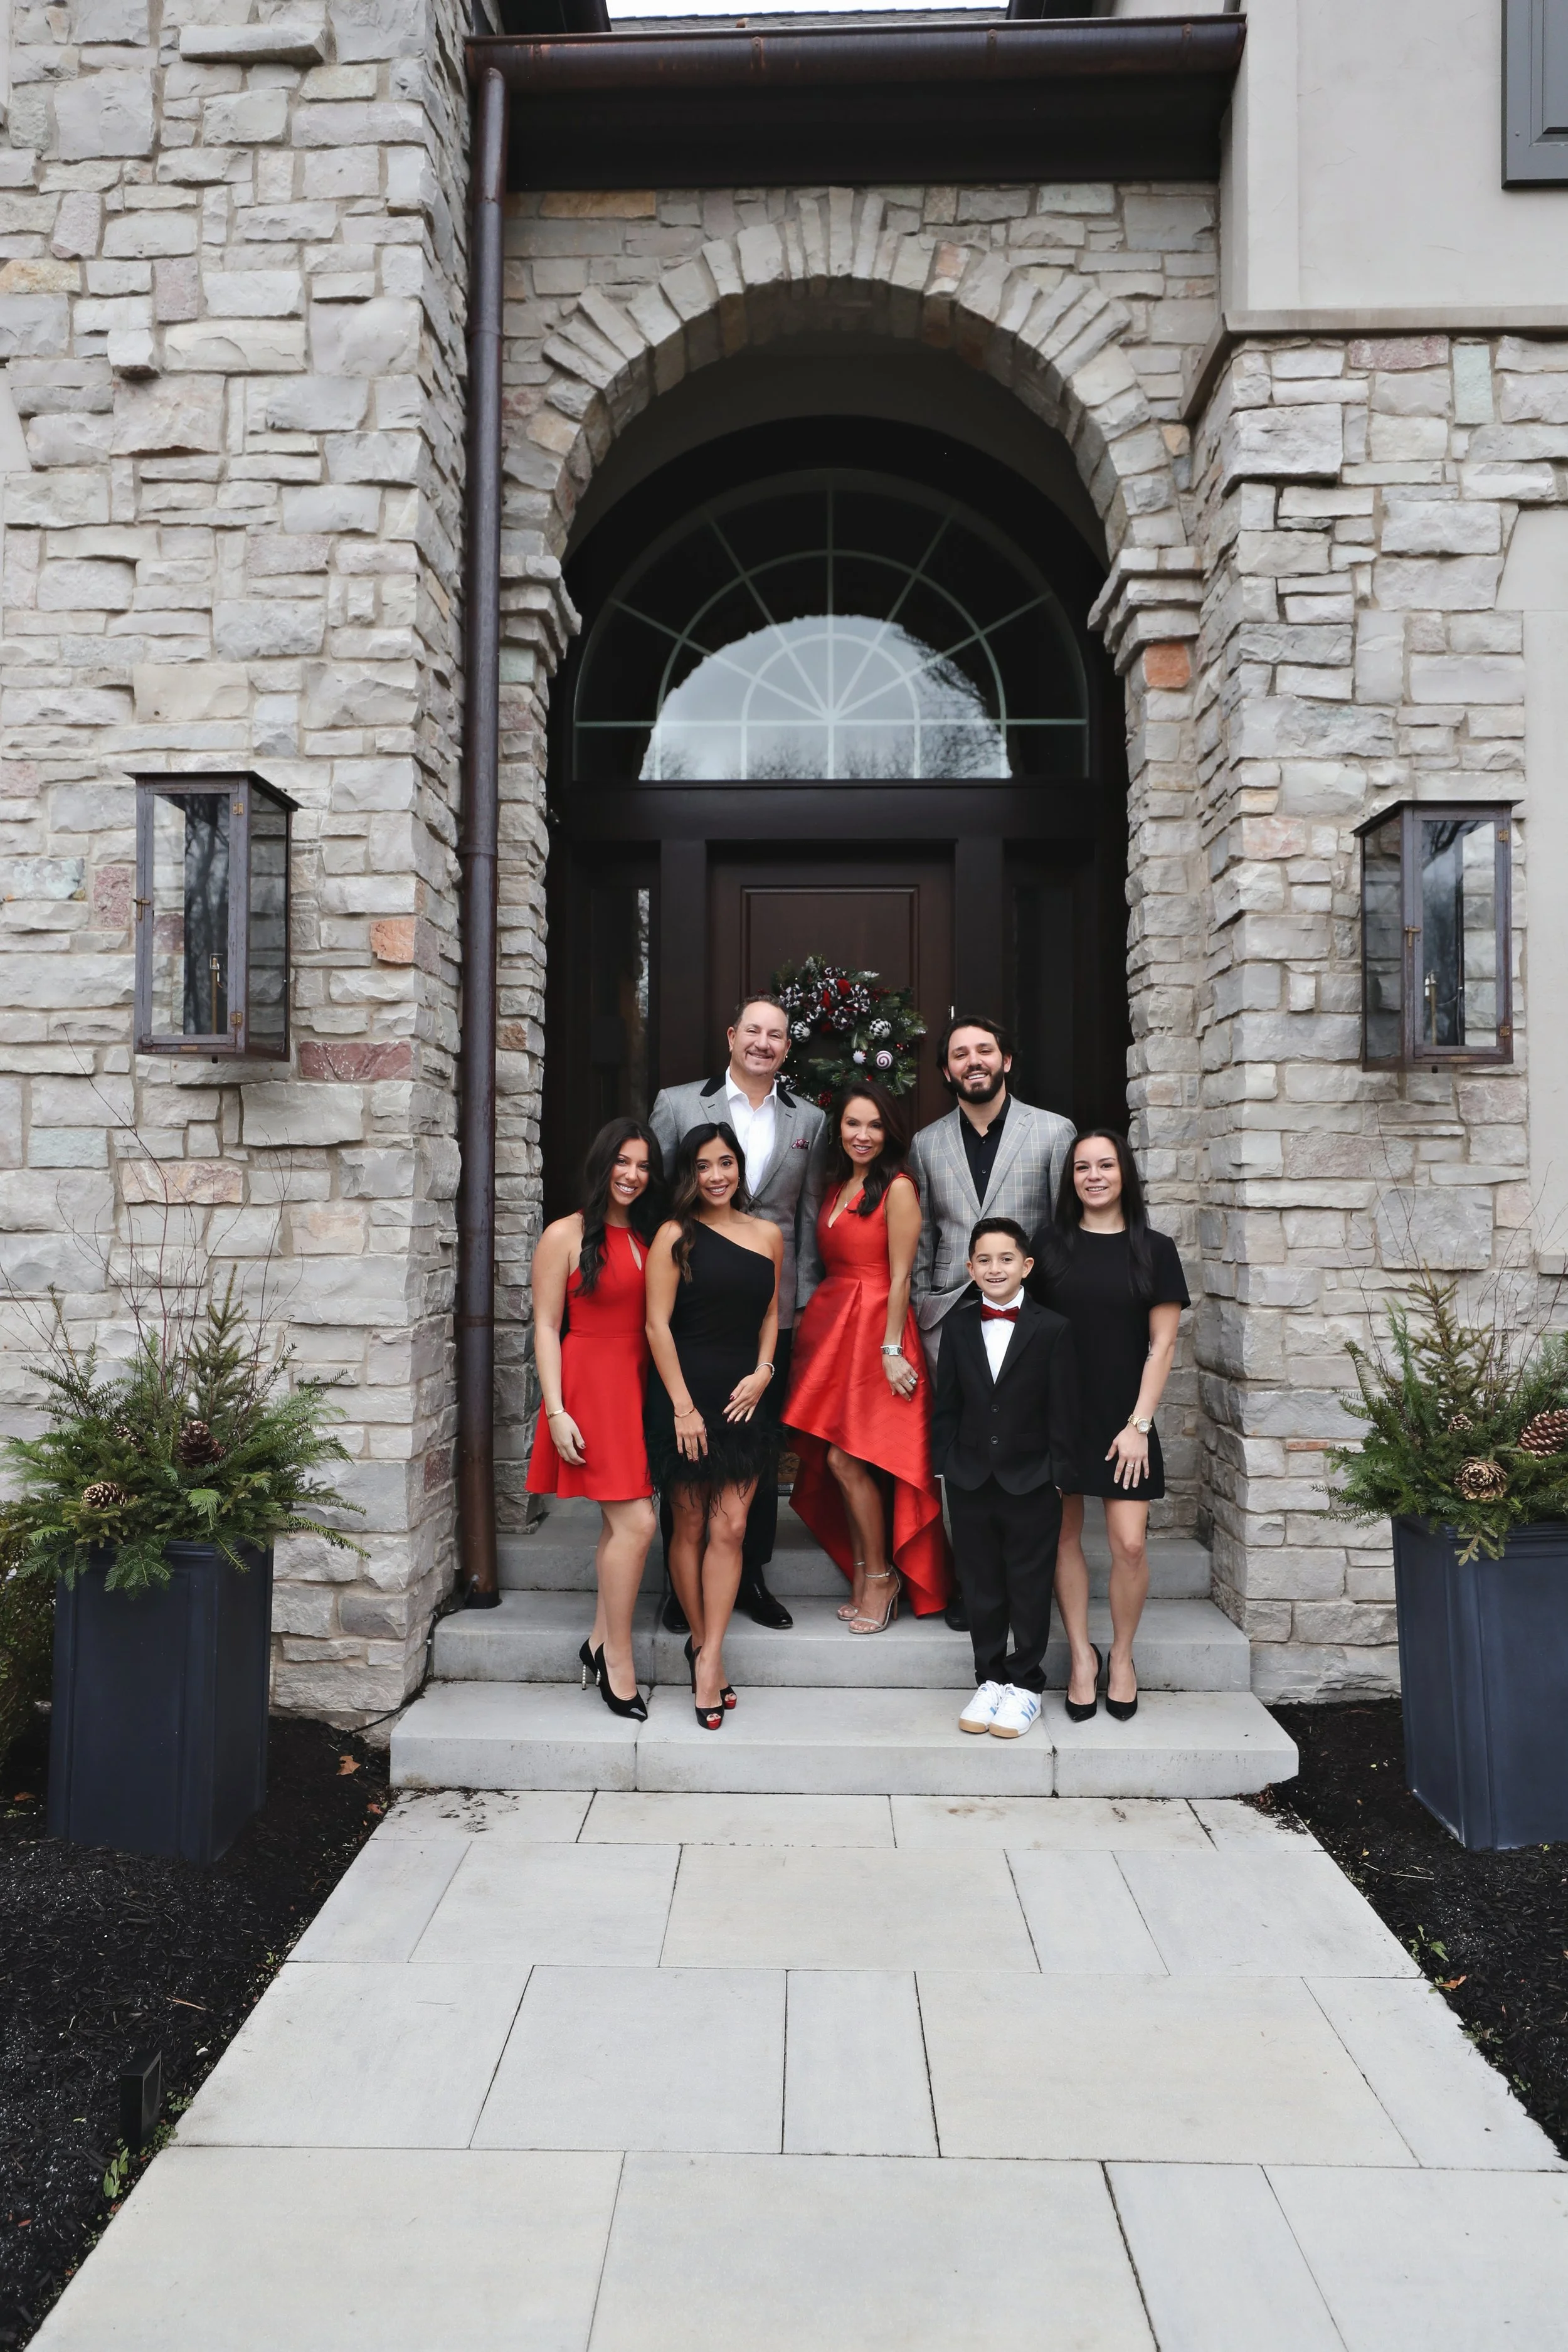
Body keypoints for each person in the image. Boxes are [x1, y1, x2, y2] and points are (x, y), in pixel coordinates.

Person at [650, 995, 830, 1631]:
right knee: (688, 1445)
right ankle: (680, 1587)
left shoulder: (808, 1118)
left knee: (751, 1447)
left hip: (765, 1310)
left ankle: (750, 1574)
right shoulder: (678, 1105)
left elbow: (805, 1218)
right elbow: (658, 1204)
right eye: (752, 1030)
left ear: (786, 1047)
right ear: (732, 1036)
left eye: (775, 1035)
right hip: (694, 1304)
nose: (763, 1042)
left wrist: (798, 1309)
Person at [909, 1014, 1075, 1631]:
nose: (972, 1061)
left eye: (984, 1050)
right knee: (964, 1457)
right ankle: (971, 1586)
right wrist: (922, 1306)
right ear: (946, 1070)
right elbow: (925, 1232)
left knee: (1023, 1455)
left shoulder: (1054, 1133)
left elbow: (1062, 1233)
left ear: (1006, 1060)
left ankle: (1022, 1588)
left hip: (1029, 1323)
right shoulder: (927, 1144)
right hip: (950, 1320)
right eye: (959, 1054)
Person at [1030, 1128, 1189, 1723]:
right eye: (1081, 1168)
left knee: (1128, 1543)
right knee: (1062, 1539)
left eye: (1105, 1166)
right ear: (1071, 1180)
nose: (1093, 1176)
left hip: (1127, 1419)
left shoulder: (1155, 1249)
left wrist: (1139, 1424)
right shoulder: (1049, 1246)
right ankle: (1080, 1656)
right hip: (1060, 1414)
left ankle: (1122, 1655)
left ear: (1125, 1174)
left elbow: (1164, 1343)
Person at [784, 1082, 949, 1630]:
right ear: (840, 1130)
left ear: (889, 1132)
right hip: (833, 1333)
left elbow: (902, 1274)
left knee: (848, 1459)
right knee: (838, 1461)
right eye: (854, 1124)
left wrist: (890, 1347)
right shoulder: (834, 1185)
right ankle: (864, 1572)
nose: (863, 1135)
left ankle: (882, 1577)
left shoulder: (898, 1187)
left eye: (875, 1126)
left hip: (879, 1333)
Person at [526, 1118, 666, 1721]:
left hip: (635, 1390)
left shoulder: (646, 1237)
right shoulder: (564, 1233)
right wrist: (556, 1410)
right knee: (637, 1523)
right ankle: (619, 1661)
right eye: (623, 1162)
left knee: (622, 1525)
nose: (632, 1175)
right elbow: (545, 1327)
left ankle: (596, 1642)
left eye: (642, 1165)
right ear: (602, 1163)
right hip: (587, 1388)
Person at [644, 1123, 782, 1732]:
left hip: (745, 1400)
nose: (717, 1176)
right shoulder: (674, 1235)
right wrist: (681, 1407)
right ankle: (704, 1650)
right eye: (704, 1166)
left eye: (726, 1163)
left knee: (732, 1527)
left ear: (739, 1167)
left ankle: (709, 1655)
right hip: (686, 1399)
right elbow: (656, 1326)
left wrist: (765, 1370)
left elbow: (772, 1313)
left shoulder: (767, 1234)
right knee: (692, 1521)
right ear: (690, 1175)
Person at [930, 1218, 1079, 1740]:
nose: (996, 1269)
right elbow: (946, 1403)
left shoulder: (1053, 1328)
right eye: (985, 1261)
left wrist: (1059, 1476)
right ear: (970, 1269)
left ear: (1026, 1266)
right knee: (981, 1584)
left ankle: (1026, 1683)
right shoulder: (959, 1326)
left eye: (1006, 1259)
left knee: (1029, 1584)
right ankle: (989, 1677)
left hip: (1033, 1478)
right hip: (970, 1477)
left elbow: (1065, 1409)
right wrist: (945, 1462)